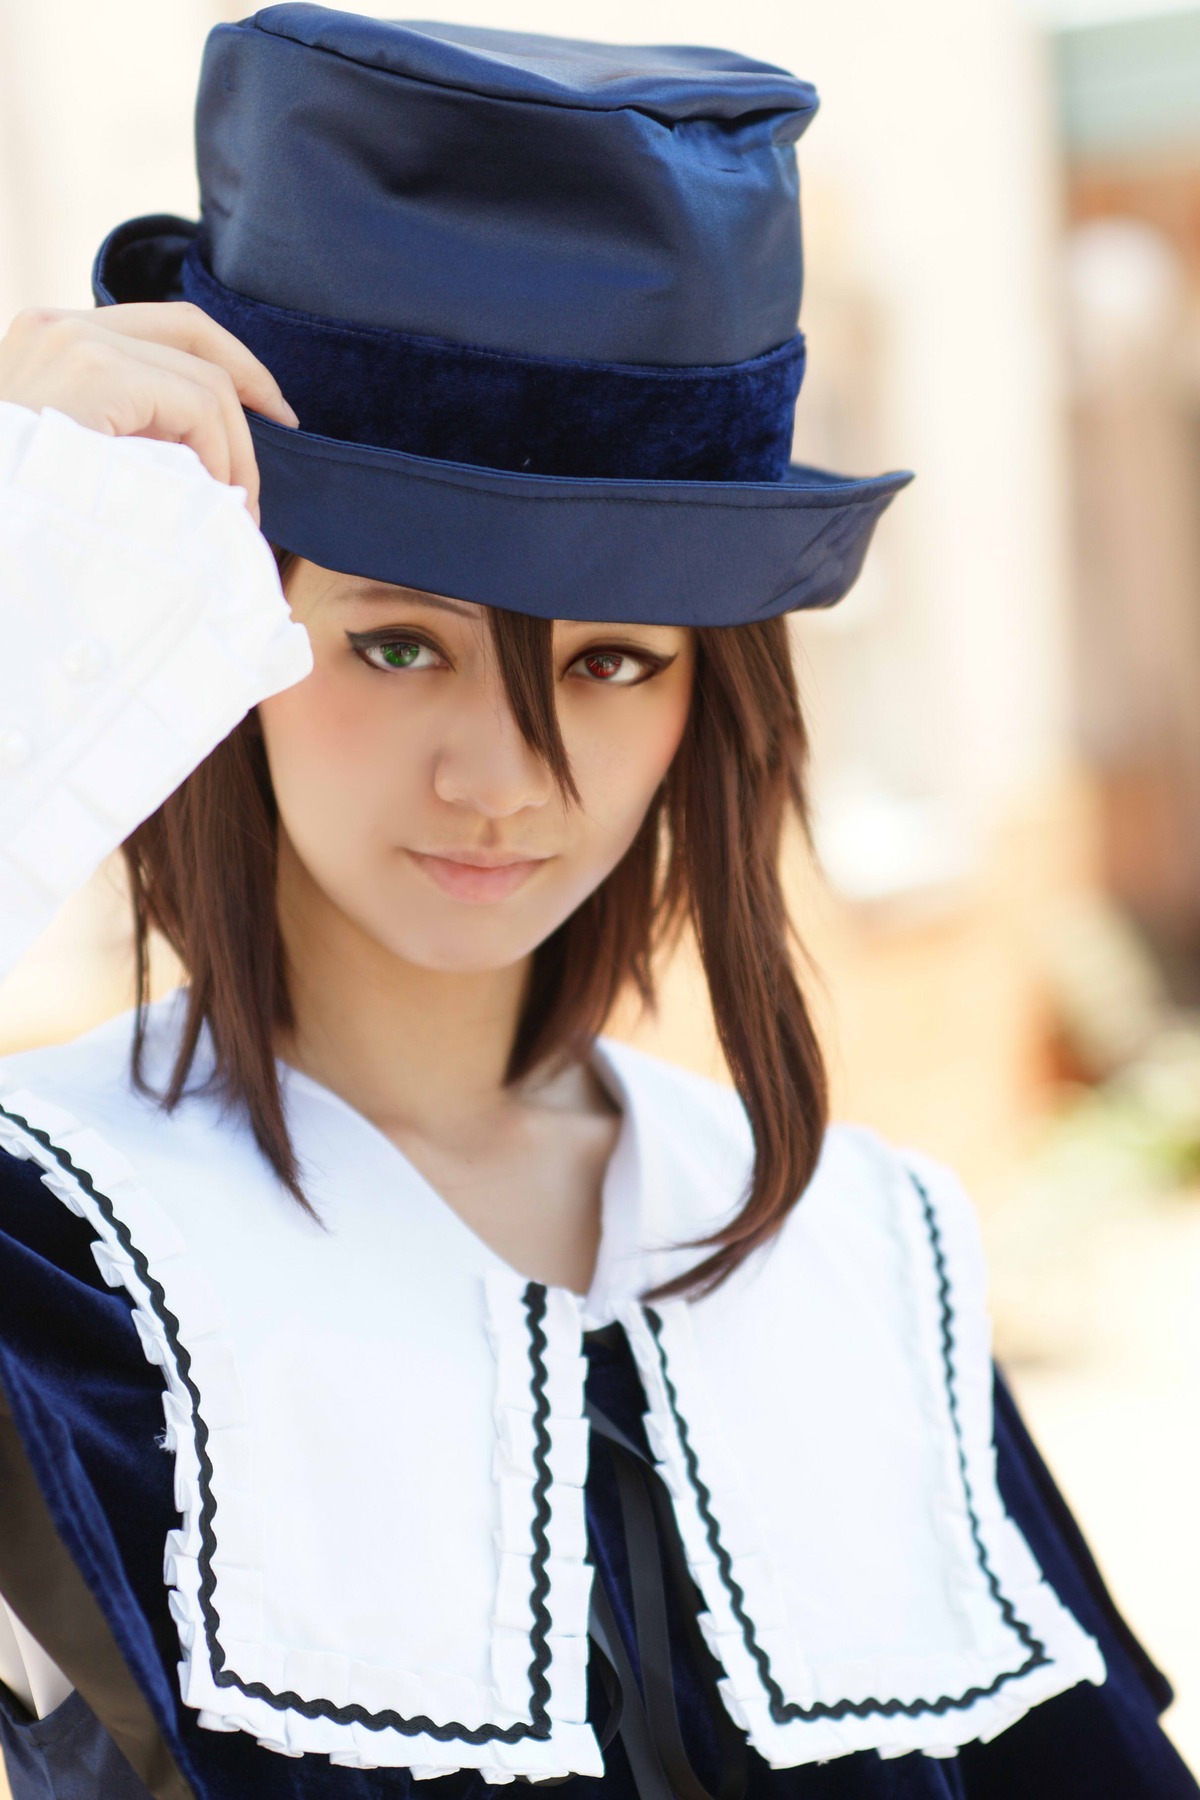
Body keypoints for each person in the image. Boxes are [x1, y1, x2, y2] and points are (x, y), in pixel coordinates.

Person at [0, 9, 1193, 1799]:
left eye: (620, 661)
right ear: (226, 629)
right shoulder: (60, 1249)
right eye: (396, 644)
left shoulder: (854, 1248)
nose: (512, 777)